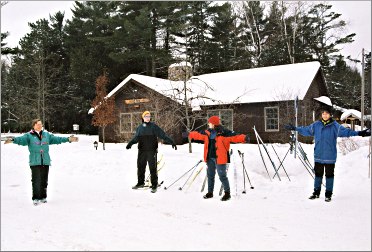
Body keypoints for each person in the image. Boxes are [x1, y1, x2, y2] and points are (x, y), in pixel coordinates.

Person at [284, 106, 371, 202]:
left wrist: (360, 133)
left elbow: (346, 132)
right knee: (318, 175)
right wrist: (295, 128)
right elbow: (306, 130)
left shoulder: (335, 126)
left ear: (330, 115)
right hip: (318, 156)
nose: (324, 115)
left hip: (330, 156)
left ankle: (328, 194)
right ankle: (316, 192)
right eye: (323, 114)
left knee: (329, 175)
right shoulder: (316, 125)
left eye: (326, 113)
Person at [4, 119, 79, 206]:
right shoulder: (29, 135)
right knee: (36, 180)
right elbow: (21, 140)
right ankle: (36, 198)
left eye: (41, 124)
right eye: (38, 124)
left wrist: (68, 139)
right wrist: (13, 140)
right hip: (35, 161)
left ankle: (43, 197)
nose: (40, 126)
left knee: (44, 180)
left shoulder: (46, 135)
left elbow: (57, 139)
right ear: (34, 126)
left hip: (45, 160)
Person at [185, 116, 249, 201]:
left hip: (220, 158)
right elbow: (198, 135)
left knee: (222, 176)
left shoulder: (224, 133)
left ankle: (227, 193)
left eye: (210, 123)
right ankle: (210, 192)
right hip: (210, 158)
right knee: (210, 175)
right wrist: (189, 134)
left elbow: (235, 136)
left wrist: (244, 138)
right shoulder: (207, 132)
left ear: (214, 124)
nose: (208, 124)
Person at [126, 111, 177, 193]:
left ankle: (154, 185)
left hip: (152, 151)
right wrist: (130, 143)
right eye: (146, 116)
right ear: (143, 117)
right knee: (140, 167)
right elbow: (136, 138)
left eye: (149, 116)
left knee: (152, 168)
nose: (148, 117)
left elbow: (162, 135)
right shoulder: (140, 128)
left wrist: (172, 142)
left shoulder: (154, 127)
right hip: (142, 150)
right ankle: (140, 183)